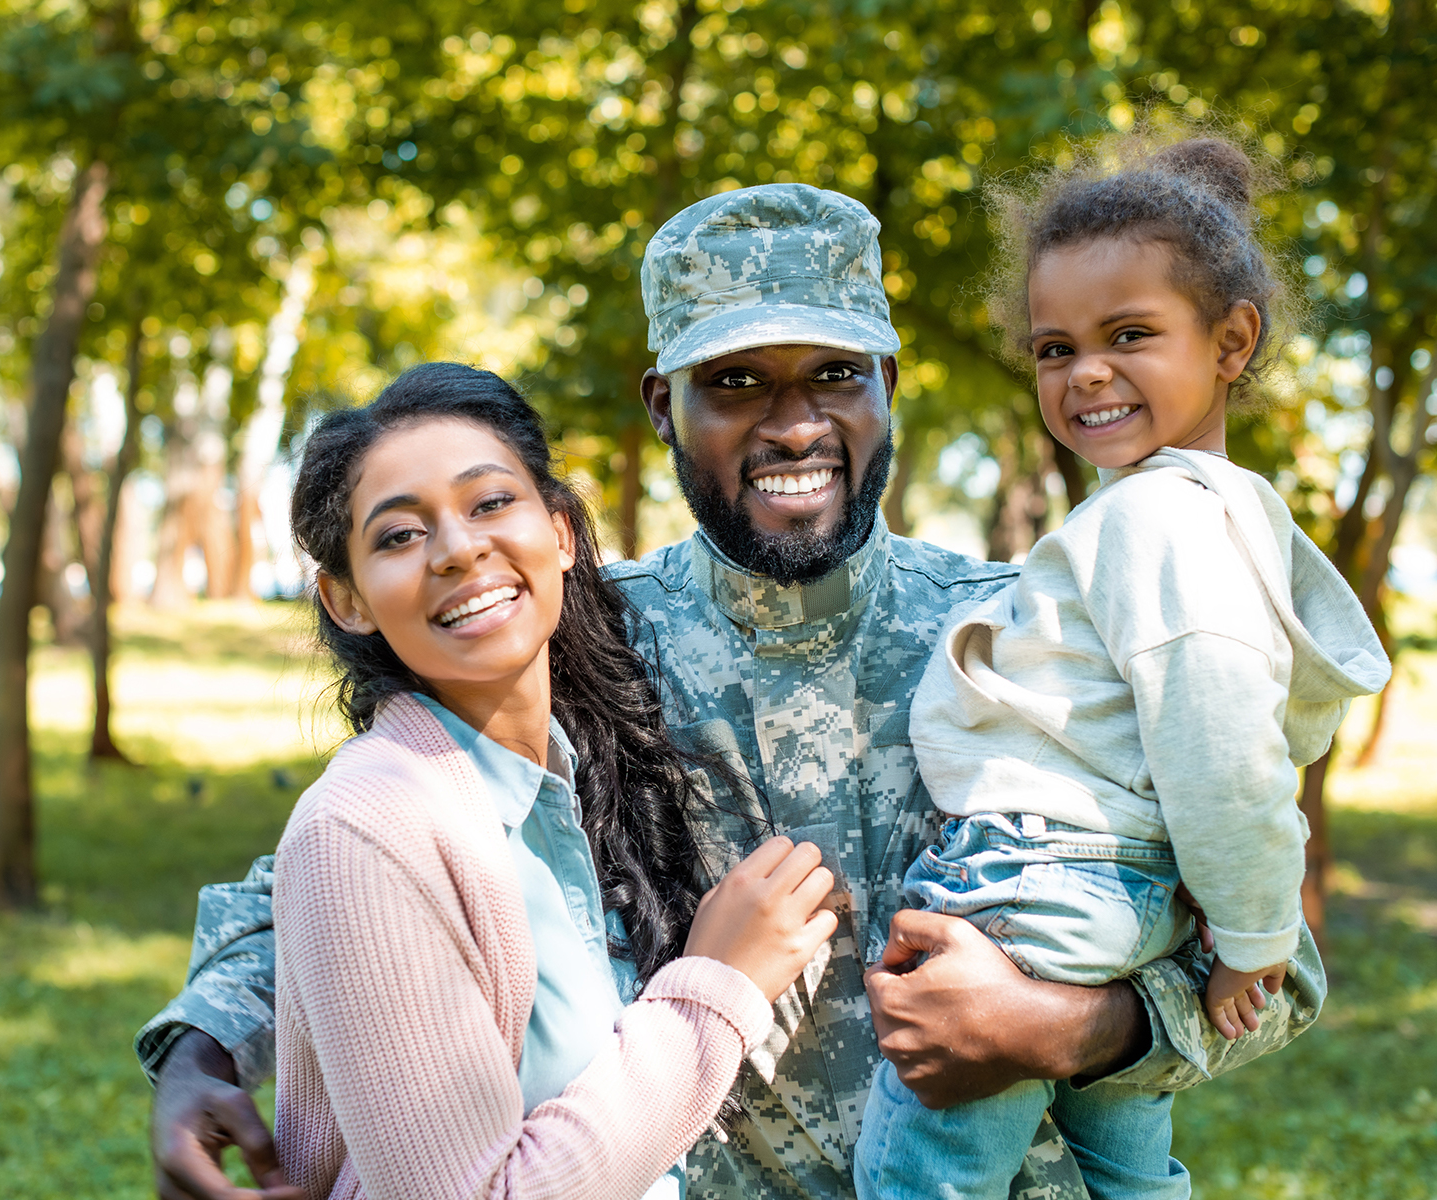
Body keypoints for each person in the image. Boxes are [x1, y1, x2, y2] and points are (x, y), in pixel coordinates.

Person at [137, 184, 1328, 1200]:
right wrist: (202, 1044)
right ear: (665, 406)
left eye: (834, 375)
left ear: (889, 386)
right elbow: (359, 862)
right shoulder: (574, 638)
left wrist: (1068, 1028)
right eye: (739, 380)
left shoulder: (1028, 633)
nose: (793, 421)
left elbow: (1274, 963)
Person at [852, 137, 1389, 1200]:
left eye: (1130, 335)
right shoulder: (1220, 518)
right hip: (1125, 901)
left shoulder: (1155, 522)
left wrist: (1251, 939)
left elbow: (1223, 752)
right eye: (1055, 349)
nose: (1085, 372)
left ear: (1233, 340)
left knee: (922, 1178)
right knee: (1133, 1176)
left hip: (1035, 885)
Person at [270, 362, 837, 1198]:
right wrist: (720, 988)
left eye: (491, 502)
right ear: (345, 599)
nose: (459, 550)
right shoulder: (366, 826)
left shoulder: (578, 763)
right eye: (399, 535)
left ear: (563, 533)